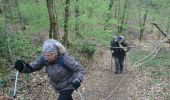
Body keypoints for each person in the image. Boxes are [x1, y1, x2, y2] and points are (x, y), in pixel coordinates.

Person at [14, 39, 85, 100]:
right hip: (58, 86)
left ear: (55, 54)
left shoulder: (65, 58)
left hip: (69, 84)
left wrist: (78, 79)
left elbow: (79, 69)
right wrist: (23, 67)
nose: (46, 57)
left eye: (49, 55)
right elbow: (32, 67)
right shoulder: (44, 58)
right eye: (45, 55)